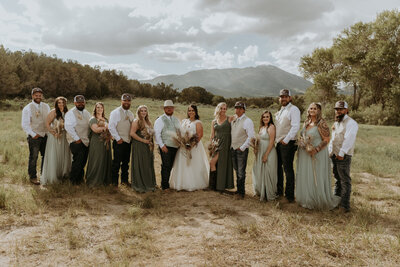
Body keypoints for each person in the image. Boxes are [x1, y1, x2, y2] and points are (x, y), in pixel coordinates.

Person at [296, 103, 340, 210]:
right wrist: (302, 144)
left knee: (317, 176)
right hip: (305, 154)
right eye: (311, 108)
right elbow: (303, 136)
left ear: (319, 111)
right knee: (307, 175)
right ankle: (308, 198)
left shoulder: (321, 123)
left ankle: (318, 199)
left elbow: (326, 139)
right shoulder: (306, 122)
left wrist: (316, 149)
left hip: (318, 154)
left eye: (315, 108)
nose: (312, 110)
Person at [169, 105, 209, 191]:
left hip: (194, 147)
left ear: (196, 112)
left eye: (193, 110)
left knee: (193, 164)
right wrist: (182, 142)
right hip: (183, 146)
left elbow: (200, 135)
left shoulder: (198, 122)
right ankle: (180, 183)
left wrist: (191, 146)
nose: (191, 112)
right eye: (189, 110)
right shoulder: (184, 121)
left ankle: (193, 183)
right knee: (182, 164)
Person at [328, 101, 358, 212]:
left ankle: (344, 206)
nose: (338, 111)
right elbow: (333, 139)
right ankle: (336, 202)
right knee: (337, 179)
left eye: (341, 109)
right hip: (334, 155)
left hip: (343, 156)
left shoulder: (351, 123)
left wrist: (341, 153)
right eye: (337, 109)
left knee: (345, 180)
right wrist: (330, 152)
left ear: (346, 110)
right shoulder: (336, 123)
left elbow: (348, 140)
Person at [275, 89, 301, 202]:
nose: (283, 98)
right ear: (279, 98)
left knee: (288, 169)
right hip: (279, 143)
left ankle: (289, 196)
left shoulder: (293, 109)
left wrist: (286, 140)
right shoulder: (281, 110)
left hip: (288, 143)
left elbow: (295, 126)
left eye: (286, 96)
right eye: (281, 96)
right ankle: (279, 191)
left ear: (290, 98)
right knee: (277, 168)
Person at [21, 87, 50, 185]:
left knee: (45, 156)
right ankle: (33, 177)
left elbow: (49, 120)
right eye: (36, 95)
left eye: (40, 95)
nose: (38, 97)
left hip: (45, 135)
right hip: (34, 137)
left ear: (42, 96)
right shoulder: (27, 108)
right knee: (33, 157)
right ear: (32, 96)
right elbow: (25, 124)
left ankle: (43, 175)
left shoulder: (46, 106)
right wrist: (34, 135)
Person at [41, 97, 71, 185]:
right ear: (56, 104)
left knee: (63, 154)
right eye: (59, 103)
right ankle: (53, 176)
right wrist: (53, 132)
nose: (61, 104)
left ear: (65, 104)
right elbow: (47, 123)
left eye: (62, 103)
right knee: (54, 154)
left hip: (64, 136)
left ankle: (63, 174)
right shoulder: (53, 111)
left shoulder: (67, 113)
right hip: (54, 137)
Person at [109, 93, 134, 186]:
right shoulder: (115, 112)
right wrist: (118, 138)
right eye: (125, 100)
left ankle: (124, 180)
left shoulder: (131, 113)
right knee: (116, 162)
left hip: (128, 141)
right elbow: (111, 127)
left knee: (126, 163)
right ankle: (114, 182)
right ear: (121, 101)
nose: (127, 102)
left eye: (128, 101)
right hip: (119, 142)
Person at [154, 100, 180, 190]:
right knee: (166, 165)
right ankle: (164, 186)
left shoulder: (176, 119)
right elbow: (157, 134)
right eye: (167, 108)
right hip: (166, 146)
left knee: (172, 165)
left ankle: (169, 183)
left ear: (173, 109)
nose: (169, 109)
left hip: (176, 147)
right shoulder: (160, 119)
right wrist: (161, 145)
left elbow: (179, 132)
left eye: (171, 108)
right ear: (164, 109)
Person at [230, 102, 255, 198]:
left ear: (244, 110)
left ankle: (241, 193)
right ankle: (238, 190)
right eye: (236, 108)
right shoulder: (234, 119)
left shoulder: (247, 121)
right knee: (236, 170)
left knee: (241, 171)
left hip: (241, 150)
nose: (238, 110)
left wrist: (243, 147)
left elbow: (251, 136)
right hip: (233, 148)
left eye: (240, 108)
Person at [65, 95, 91, 185]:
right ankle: (73, 181)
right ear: (75, 103)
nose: (80, 103)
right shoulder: (70, 113)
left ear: (84, 103)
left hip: (85, 141)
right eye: (78, 102)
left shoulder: (87, 113)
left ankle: (80, 179)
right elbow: (68, 127)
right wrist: (77, 138)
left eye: (82, 102)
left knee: (83, 161)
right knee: (77, 161)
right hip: (76, 141)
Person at [130, 105, 156, 192]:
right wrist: (143, 141)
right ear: (138, 112)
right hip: (139, 145)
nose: (144, 112)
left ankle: (149, 183)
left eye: (145, 111)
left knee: (147, 164)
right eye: (142, 111)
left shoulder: (148, 121)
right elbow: (132, 134)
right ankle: (140, 184)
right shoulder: (136, 121)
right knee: (141, 163)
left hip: (148, 146)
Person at [252, 111, 278, 201]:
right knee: (259, 170)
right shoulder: (261, 127)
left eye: (267, 117)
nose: (265, 118)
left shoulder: (271, 127)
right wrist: (255, 148)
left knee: (268, 171)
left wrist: (266, 154)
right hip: (260, 151)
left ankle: (268, 193)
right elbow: (258, 139)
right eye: (264, 117)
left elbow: (271, 141)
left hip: (269, 151)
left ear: (270, 118)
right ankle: (260, 191)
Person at [85, 102, 112, 187]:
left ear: (103, 109)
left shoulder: (106, 119)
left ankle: (104, 180)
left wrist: (110, 133)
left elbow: (110, 130)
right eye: (98, 107)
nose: (99, 109)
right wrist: (106, 127)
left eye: (101, 107)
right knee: (97, 160)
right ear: (95, 109)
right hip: (97, 142)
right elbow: (95, 130)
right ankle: (94, 181)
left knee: (105, 160)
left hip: (106, 142)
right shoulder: (93, 119)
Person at [209, 102, 234, 191]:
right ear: (218, 109)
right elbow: (212, 135)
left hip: (226, 143)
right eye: (222, 108)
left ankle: (219, 186)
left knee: (220, 163)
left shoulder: (230, 118)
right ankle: (214, 185)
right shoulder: (214, 121)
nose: (223, 110)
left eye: (225, 108)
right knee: (212, 163)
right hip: (216, 144)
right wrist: (211, 145)